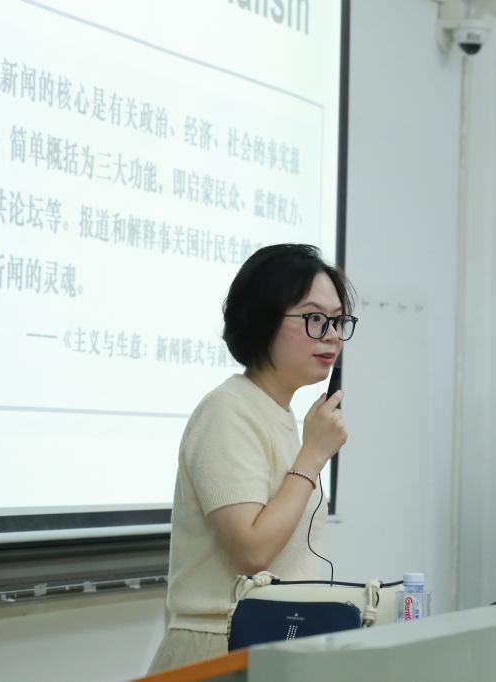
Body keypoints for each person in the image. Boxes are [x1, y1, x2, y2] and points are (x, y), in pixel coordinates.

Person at [148, 243, 358, 673]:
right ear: (263, 319)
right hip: (218, 647)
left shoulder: (279, 415)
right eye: (315, 319)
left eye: (338, 320)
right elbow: (252, 550)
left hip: (273, 643)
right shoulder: (227, 410)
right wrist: (313, 455)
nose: (333, 335)